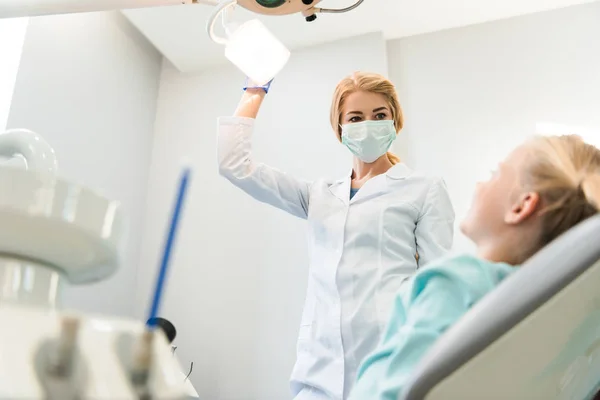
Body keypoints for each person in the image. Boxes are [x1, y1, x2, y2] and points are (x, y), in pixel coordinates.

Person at [217, 72, 455, 399]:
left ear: (395, 121)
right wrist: (255, 89)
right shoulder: (319, 195)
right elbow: (235, 165)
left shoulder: (423, 189)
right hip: (319, 374)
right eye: (355, 117)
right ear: (340, 128)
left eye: (380, 115)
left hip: (389, 369)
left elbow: (437, 288)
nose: (368, 124)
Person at [348, 134, 600, 400]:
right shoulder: (569, 314)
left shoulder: (456, 283)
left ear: (521, 206)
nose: (480, 184)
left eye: (495, 174)